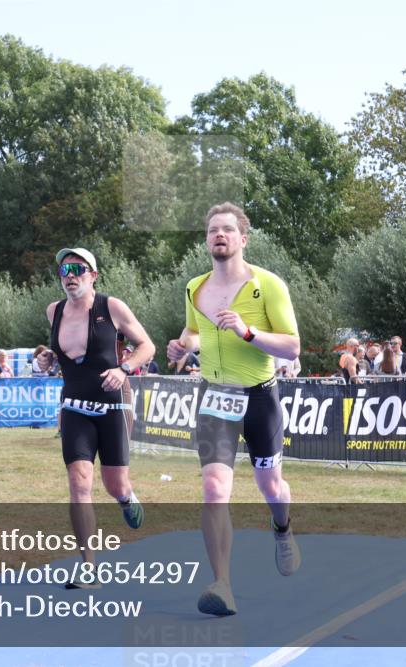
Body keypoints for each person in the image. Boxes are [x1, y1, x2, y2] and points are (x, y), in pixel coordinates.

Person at [166, 202, 301, 617]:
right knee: (213, 489)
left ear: (243, 238)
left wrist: (248, 331)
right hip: (214, 398)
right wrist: (183, 344)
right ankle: (221, 583)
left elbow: (292, 346)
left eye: (227, 230)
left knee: (271, 487)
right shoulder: (195, 288)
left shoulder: (269, 285)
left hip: (259, 396)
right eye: (212, 231)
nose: (219, 236)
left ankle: (282, 529)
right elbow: (194, 330)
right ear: (206, 240)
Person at [38, 247, 155, 588]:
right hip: (74, 405)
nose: (70, 275)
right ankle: (89, 567)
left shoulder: (111, 307)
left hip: (113, 403)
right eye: (64, 271)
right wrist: (48, 358)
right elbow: (66, 353)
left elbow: (147, 346)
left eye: (77, 269)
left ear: (93, 275)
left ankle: (125, 497)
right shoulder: (53, 311)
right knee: (79, 483)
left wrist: (125, 368)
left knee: (114, 483)